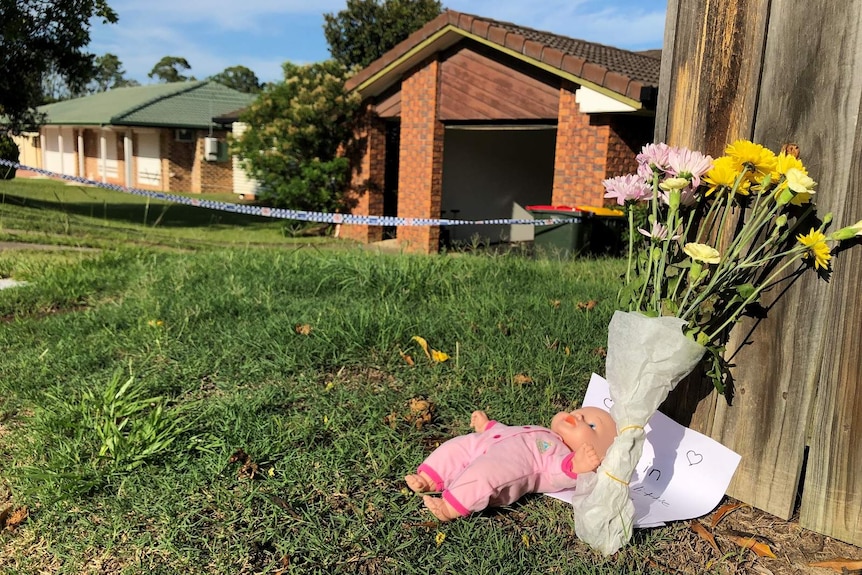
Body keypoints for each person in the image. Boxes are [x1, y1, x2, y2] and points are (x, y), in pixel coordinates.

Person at [405, 406, 617, 521]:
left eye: (590, 425)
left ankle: (450, 507)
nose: (578, 416)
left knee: (483, 477)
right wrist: (488, 425)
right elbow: (509, 431)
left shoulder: (561, 453)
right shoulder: (544, 431)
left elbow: (555, 474)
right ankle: (429, 478)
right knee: (456, 447)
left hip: (508, 465)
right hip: (488, 441)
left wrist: (576, 467)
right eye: (579, 412)